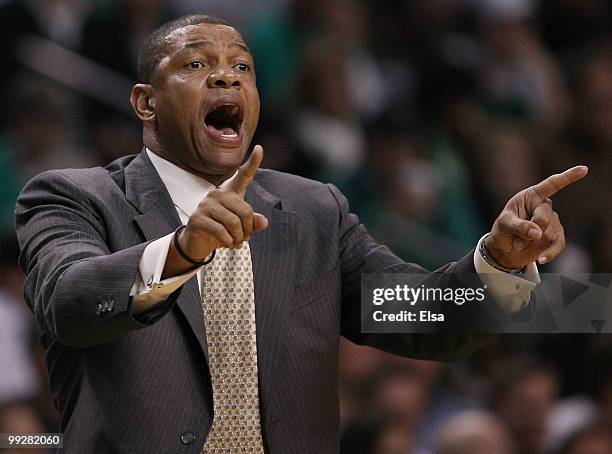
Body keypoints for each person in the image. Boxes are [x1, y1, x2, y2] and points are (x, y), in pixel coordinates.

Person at [14, 14, 587, 454]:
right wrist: (180, 251)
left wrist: (500, 264)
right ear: (145, 103)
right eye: (194, 65)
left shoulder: (314, 213)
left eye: (242, 67)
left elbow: (418, 317)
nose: (224, 75)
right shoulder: (74, 196)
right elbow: (69, 302)